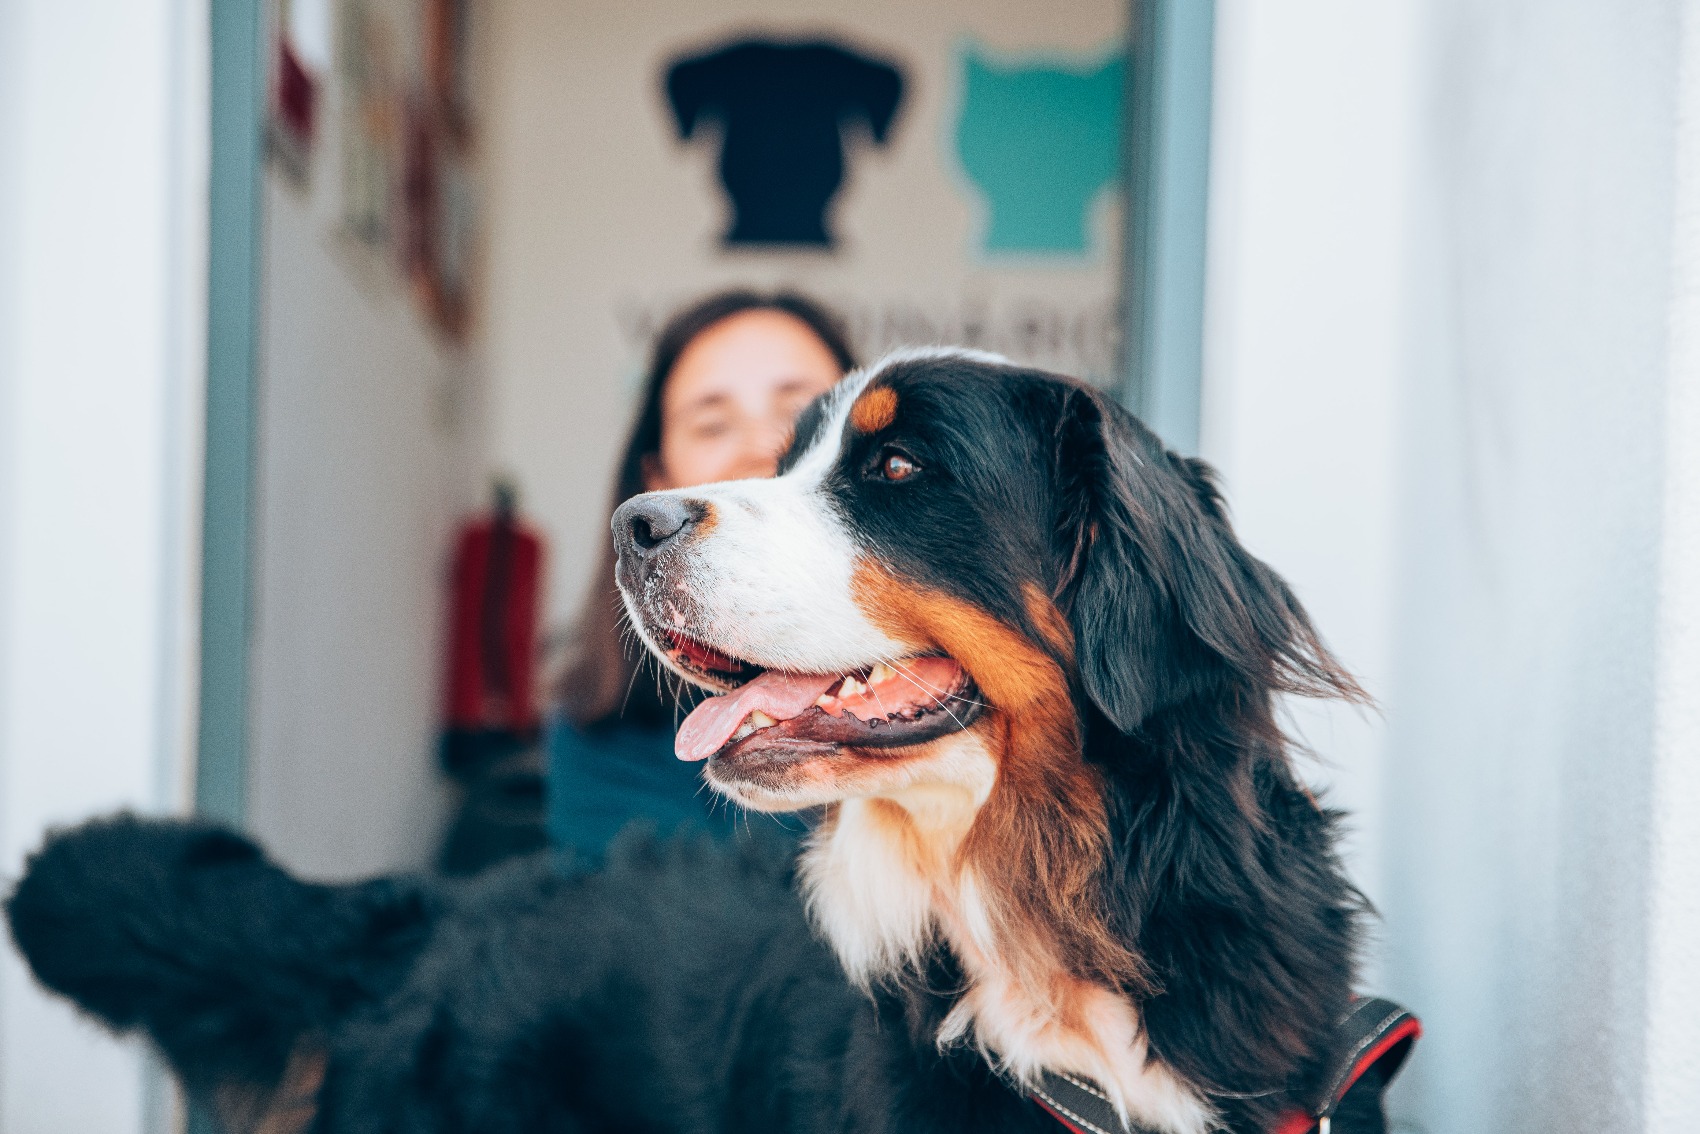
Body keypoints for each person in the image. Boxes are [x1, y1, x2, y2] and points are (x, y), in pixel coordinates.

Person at [547, 290, 856, 861]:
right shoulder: (602, 730)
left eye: (804, 413)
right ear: (658, 480)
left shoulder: (953, 673)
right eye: (713, 425)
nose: (765, 448)